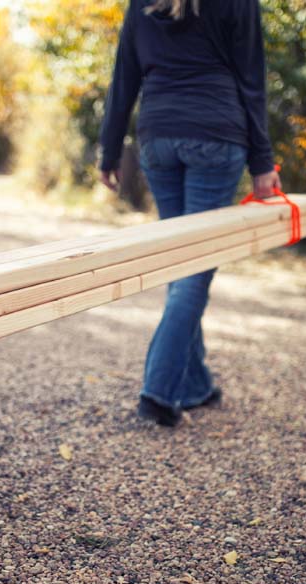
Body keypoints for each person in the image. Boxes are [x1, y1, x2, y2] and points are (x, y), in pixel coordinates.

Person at [99, 0, 281, 427]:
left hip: (159, 139)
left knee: (181, 261)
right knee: (195, 265)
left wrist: (109, 148)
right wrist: (262, 163)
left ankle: (195, 383)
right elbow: (251, 80)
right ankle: (159, 391)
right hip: (216, 137)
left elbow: (123, 76)